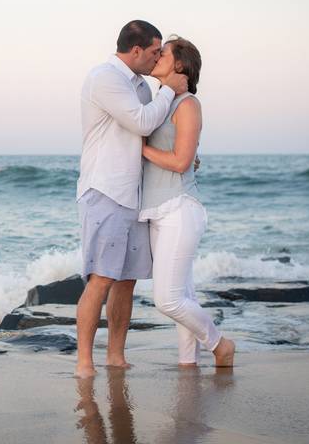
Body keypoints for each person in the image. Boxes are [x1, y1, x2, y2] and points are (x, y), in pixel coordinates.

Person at [74, 20, 188, 379]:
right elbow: (141, 122)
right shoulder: (105, 77)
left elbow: (151, 132)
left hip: (134, 194)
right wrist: (169, 90)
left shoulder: (138, 85)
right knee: (102, 278)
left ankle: (116, 356)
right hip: (106, 190)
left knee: (126, 281)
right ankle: (84, 363)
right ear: (136, 50)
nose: (158, 59)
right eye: (155, 52)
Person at [139, 35, 235, 367]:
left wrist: (139, 149)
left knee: (167, 300)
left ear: (179, 65)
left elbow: (181, 161)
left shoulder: (188, 105)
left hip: (180, 207)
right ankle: (187, 365)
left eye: (162, 53)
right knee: (183, 295)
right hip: (155, 210)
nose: (156, 57)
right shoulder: (161, 103)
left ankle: (220, 344)